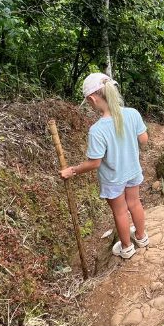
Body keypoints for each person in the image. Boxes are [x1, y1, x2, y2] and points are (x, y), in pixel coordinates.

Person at [59, 72, 149, 259]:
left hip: (112, 178)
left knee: (120, 211)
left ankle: (126, 248)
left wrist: (72, 170)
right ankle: (141, 238)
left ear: (92, 99)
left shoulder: (97, 130)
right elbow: (144, 139)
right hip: (132, 170)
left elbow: (95, 163)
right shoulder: (132, 114)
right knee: (135, 203)